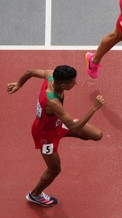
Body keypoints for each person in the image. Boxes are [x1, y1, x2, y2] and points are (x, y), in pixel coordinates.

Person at [7, 65, 105, 207]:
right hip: (45, 135)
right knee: (55, 169)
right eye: (73, 82)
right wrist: (94, 108)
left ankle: (62, 135)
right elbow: (74, 127)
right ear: (63, 85)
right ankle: (35, 195)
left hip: (58, 124)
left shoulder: (52, 75)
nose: (75, 83)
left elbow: (30, 71)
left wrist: (18, 84)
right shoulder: (52, 102)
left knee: (97, 135)